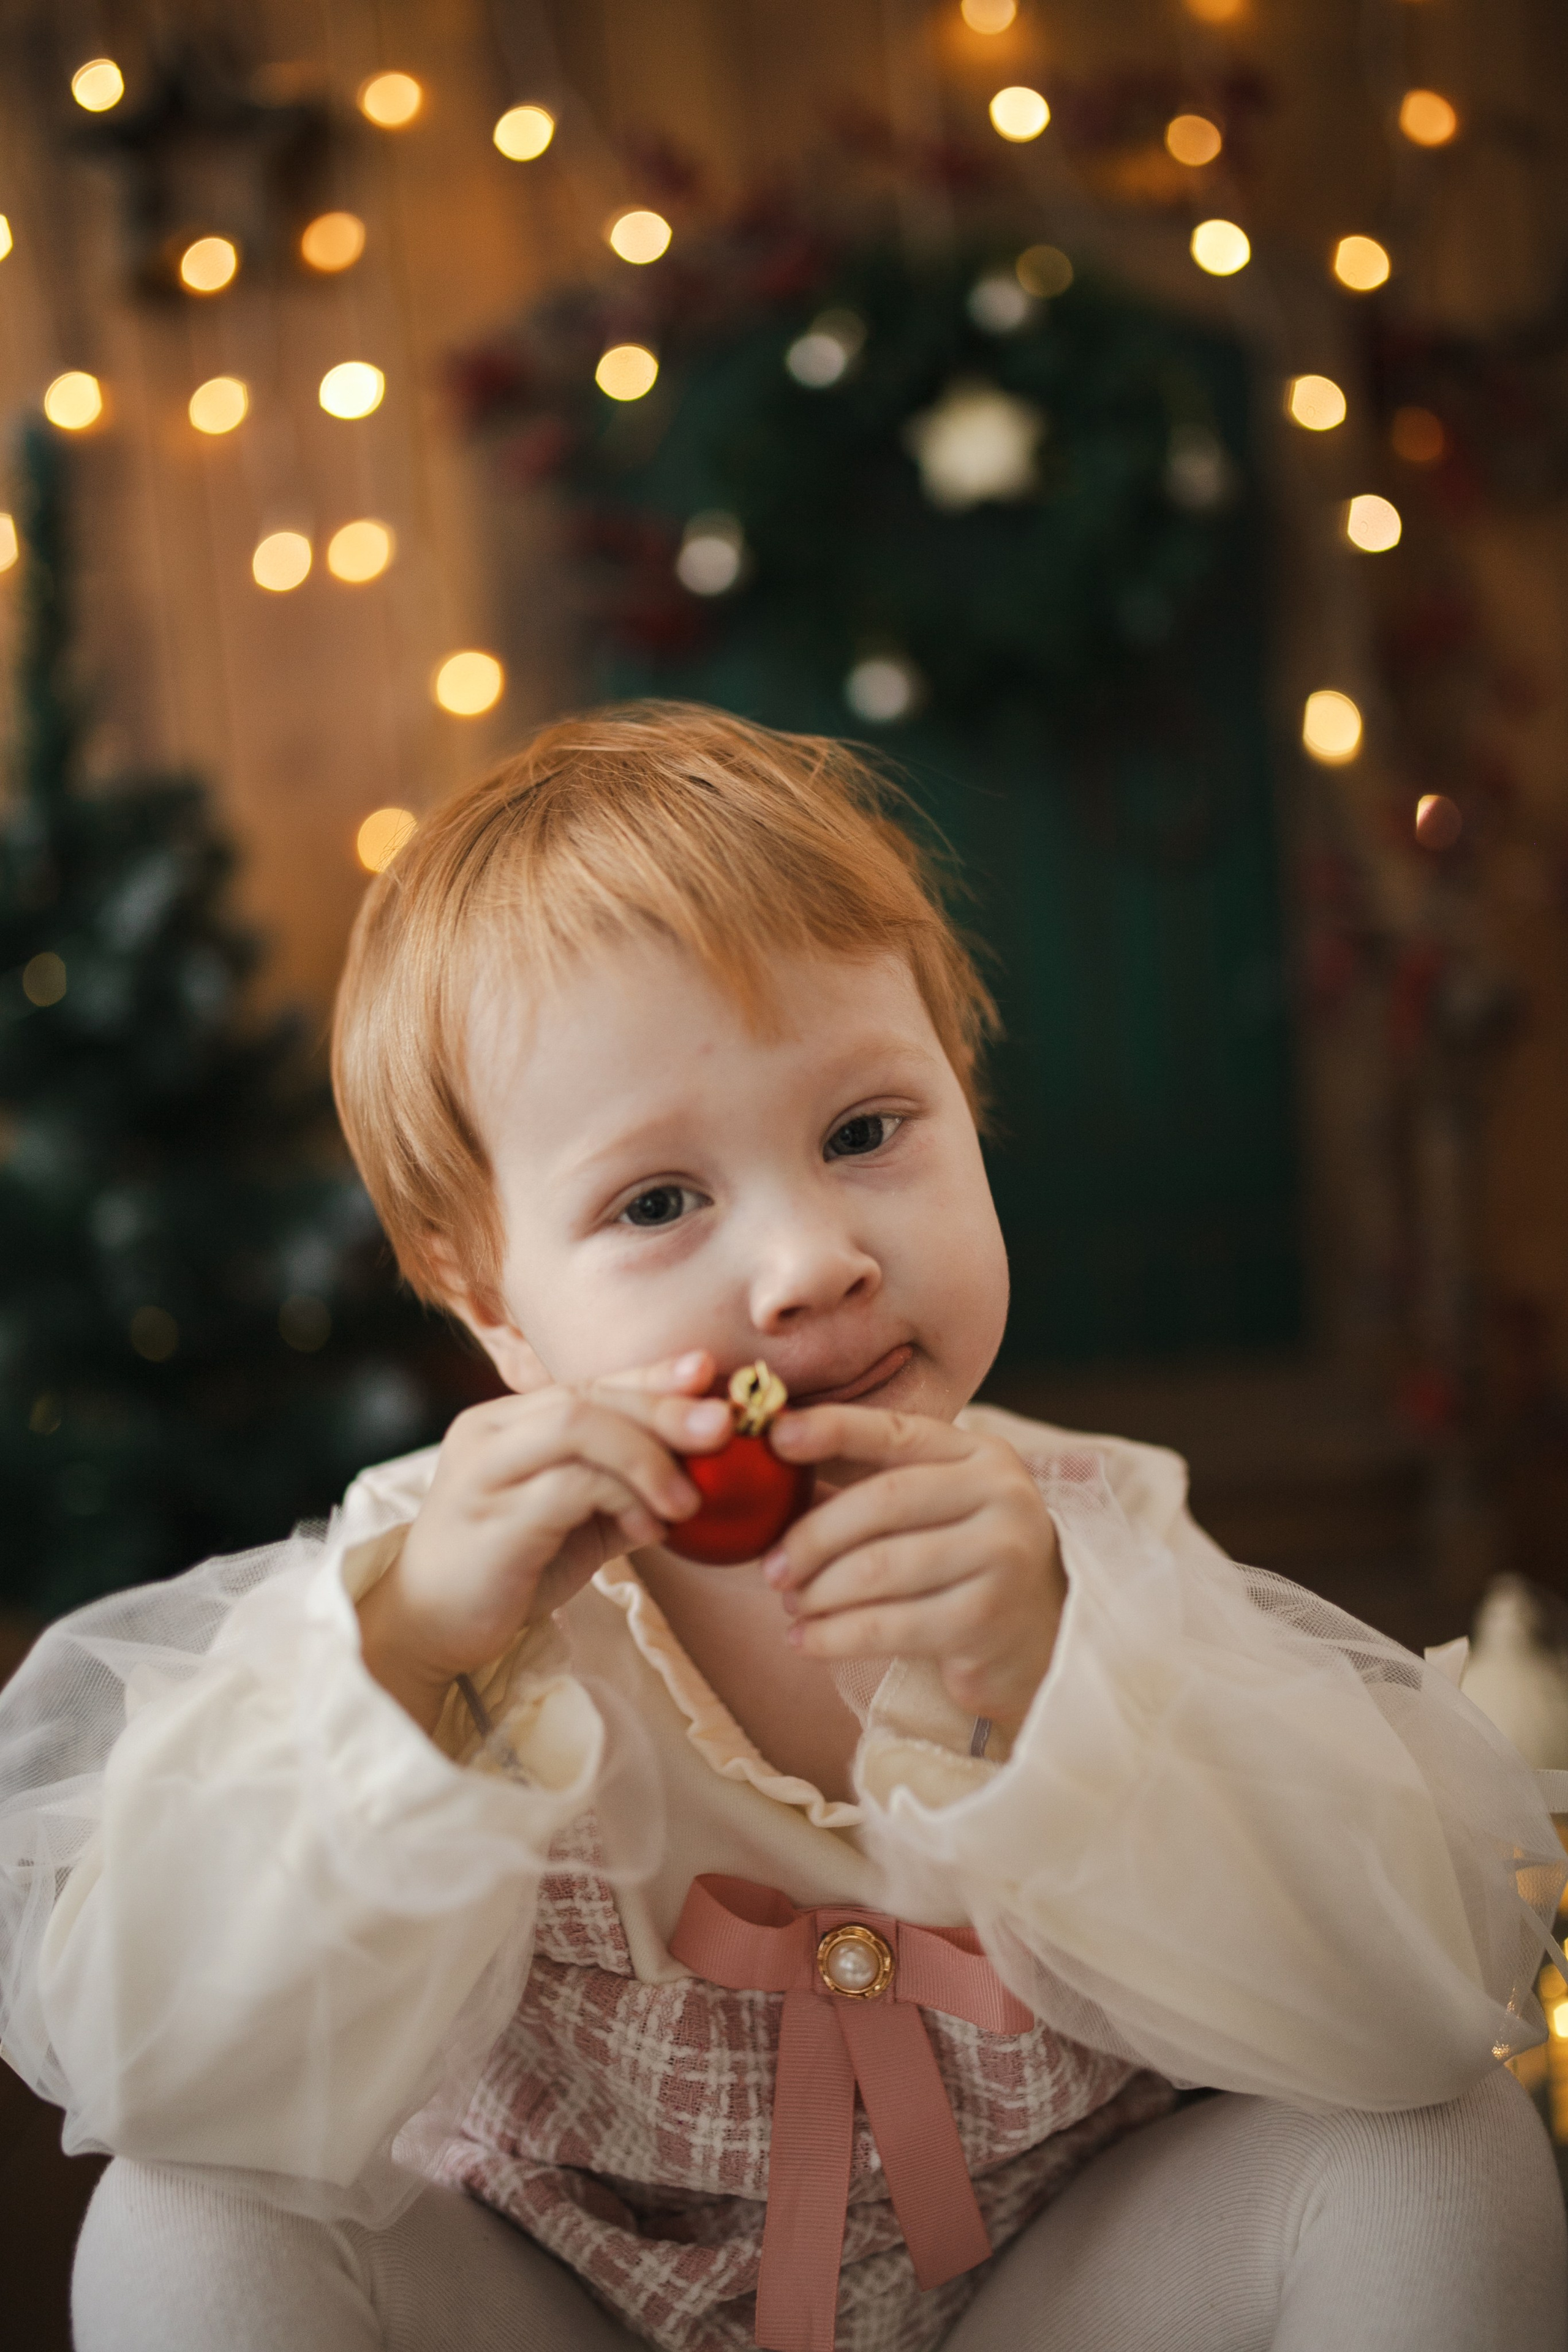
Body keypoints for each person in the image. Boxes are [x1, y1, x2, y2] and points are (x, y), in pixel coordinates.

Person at [1, 703, 1564, 2352]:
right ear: (493, 1304)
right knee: (187, 2221)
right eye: (658, 1203)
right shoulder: (434, 1592)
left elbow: (1384, 2013)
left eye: (866, 1130)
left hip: (1053, 2301)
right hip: (569, 2310)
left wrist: (1058, 1681)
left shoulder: (1084, 1543)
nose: (813, 1257)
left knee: (1438, 2151)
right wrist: (405, 1682)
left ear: (967, 1105)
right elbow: (178, 2070)